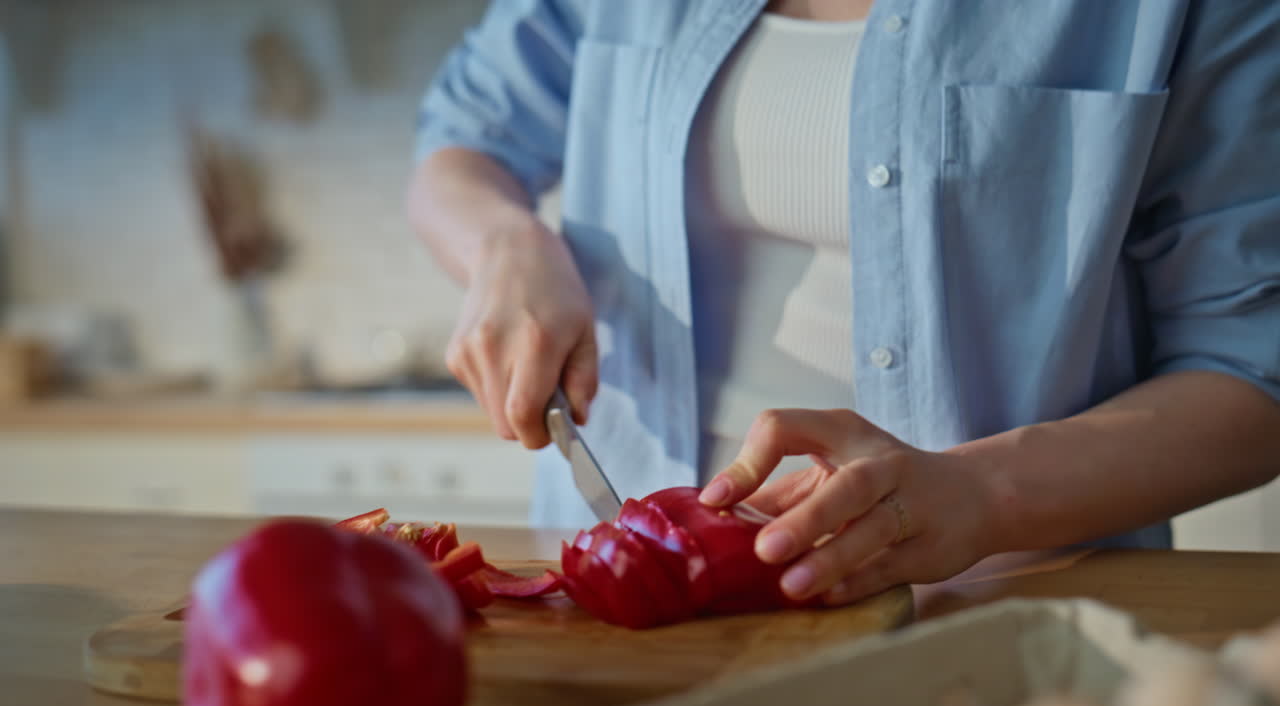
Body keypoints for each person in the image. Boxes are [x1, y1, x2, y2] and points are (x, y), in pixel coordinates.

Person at [407, 0, 1280, 606]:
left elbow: (1251, 374)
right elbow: (460, 141)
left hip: (995, 612)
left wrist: (981, 495)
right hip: (616, 612)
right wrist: (505, 243)